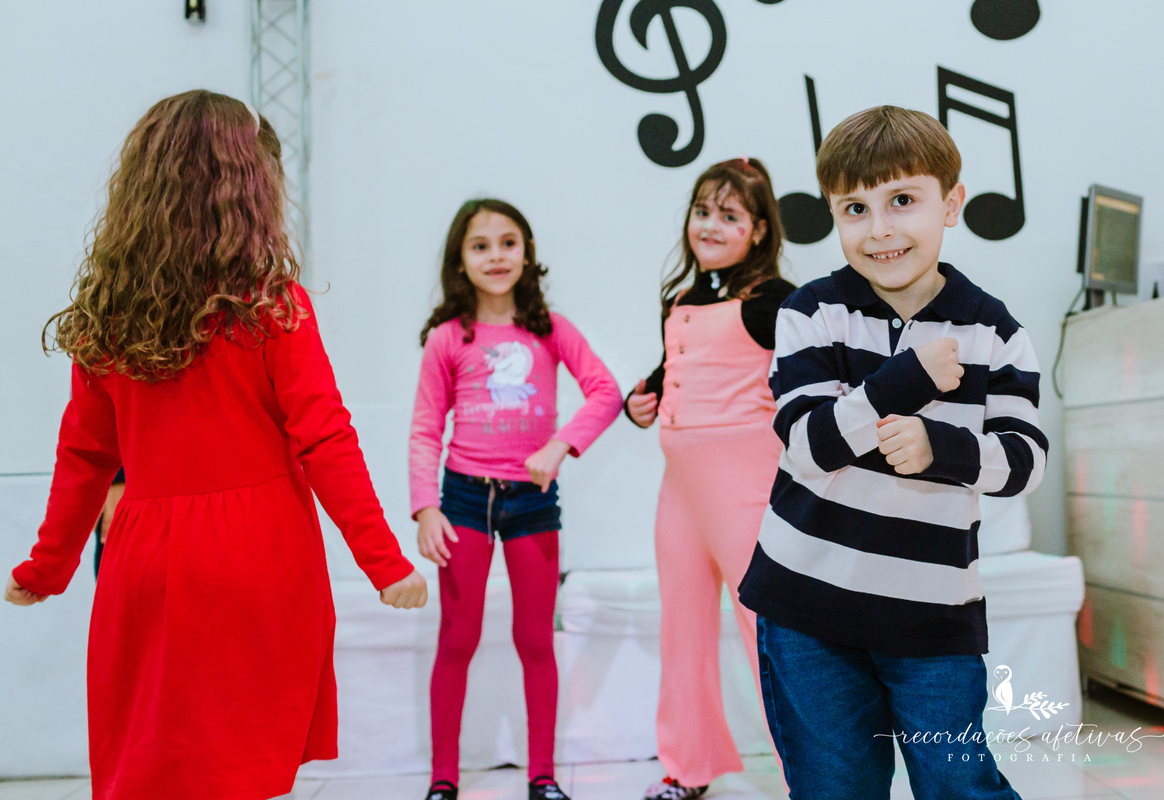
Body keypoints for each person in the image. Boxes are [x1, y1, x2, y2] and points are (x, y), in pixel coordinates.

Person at [3, 90, 427, 800]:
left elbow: (84, 456)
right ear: (249, 189)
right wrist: (384, 564)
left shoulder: (109, 317)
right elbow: (326, 438)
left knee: (155, 765)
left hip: (145, 558)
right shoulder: (272, 307)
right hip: (256, 557)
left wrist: (47, 567)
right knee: (241, 769)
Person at [739, 106, 1047, 799]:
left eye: (902, 201)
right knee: (835, 786)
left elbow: (1024, 461)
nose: (879, 229)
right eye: (855, 208)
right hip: (807, 612)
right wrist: (899, 383)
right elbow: (806, 442)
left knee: (959, 785)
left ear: (952, 205)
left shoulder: (996, 331)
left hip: (932, 620)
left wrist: (941, 446)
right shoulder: (811, 312)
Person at [410, 198, 623, 800]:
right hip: (462, 501)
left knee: (535, 640)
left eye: (508, 243)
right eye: (481, 246)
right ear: (461, 259)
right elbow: (426, 427)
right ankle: (443, 779)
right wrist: (427, 506)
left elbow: (605, 392)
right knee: (458, 638)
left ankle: (543, 776)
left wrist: (560, 447)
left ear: (527, 253)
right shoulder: (449, 338)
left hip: (532, 502)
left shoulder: (549, 329)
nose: (496, 256)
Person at [625, 158, 795, 800]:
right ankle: (687, 766)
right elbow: (674, 370)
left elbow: (814, 371)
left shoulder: (773, 301)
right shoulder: (684, 300)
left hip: (743, 491)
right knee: (684, 628)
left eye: (729, 215)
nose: (711, 225)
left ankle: (809, 769)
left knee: (768, 632)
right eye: (703, 212)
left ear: (758, 230)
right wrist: (639, 399)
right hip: (680, 495)